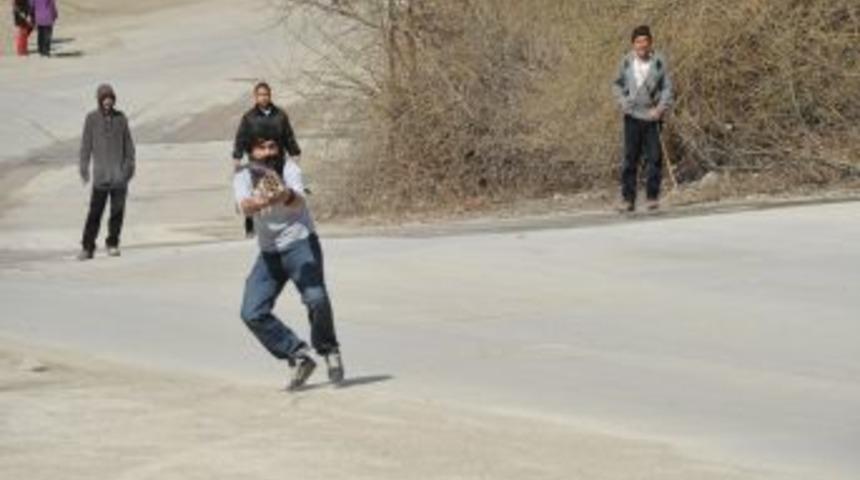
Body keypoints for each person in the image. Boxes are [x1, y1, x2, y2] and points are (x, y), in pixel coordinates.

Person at [234, 128, 343, 391]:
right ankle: (297, 354)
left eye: (272, 146)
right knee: (251, 312)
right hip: (269, 253)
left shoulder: (289, 168)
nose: (268, 152)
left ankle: (329, 349)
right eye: (261, 148)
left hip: (300, 243)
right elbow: (243, 206)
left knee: (316, 298)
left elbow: (298, 202)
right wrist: (260, 201)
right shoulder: (243, 175)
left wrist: (282, 195)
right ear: (251, 151)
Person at [612, 25, 673, 212]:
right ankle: (628, 199)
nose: (642, 45)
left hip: (652, 116)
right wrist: (623, 103)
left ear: (650, 42)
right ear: (633, 44)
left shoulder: (659, 62)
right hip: (632, 116)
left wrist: (661, 108)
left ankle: (652, 197)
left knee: (654, 158)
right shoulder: (626, 62)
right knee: (630, 158)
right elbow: (616, 85)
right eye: (638, 41)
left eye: (645, 41)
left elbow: (667, 88)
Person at [232, 82, 302, 237]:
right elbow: (241, 138)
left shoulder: (280, 116)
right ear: (255, 97)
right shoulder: (249, 118)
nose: (263, 97)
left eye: (266, 94)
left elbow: (288, 136)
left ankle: (281, 224)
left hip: (277, 159)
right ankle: (250, 223)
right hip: (257, 161)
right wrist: (237, 156)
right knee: (255, 190)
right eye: (260, 95)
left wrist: (294, 152)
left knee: (277, 188)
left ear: (270, 95)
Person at [78, 84, 136, 260]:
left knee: (117, 214)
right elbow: (86, 146)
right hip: (101, 177)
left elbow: (129, 146)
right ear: (99, 100)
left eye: (110, 98)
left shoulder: (121, 118)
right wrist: (84, 168)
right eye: (104, 99)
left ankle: (112, 243)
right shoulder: (91, 119)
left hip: (119, 178)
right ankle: (88, 247)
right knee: (95, 214)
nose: (108, 102)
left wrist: (128, 169)